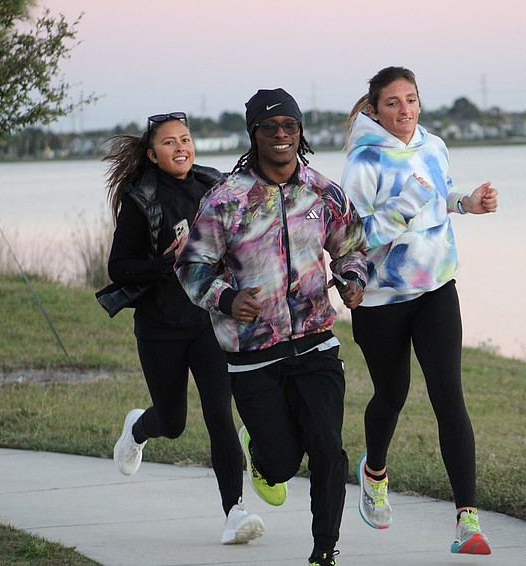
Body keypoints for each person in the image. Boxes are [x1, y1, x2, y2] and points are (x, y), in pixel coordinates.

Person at [175, 88, 368, 566]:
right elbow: (191, 265)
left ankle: (325, 549)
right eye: (269, 127)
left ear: (300, 133)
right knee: (281, 464)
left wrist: (350, 279)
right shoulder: (227, 199)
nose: (281, 135)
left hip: (316, 342)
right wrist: (226, 298)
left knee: (327, 447)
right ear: (254, 135)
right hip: (253, 354)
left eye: (289, 126)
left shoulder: (323, 192)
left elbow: (353, 246)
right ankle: (259, 451)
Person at [340, 66, 498, 556]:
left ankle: (467, 521)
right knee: (393, 394)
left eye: (411, 100)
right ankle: (375, 471)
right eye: (393, 103)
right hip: (382, 299)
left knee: (449, 395)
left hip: (436, 288)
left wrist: (466, 203)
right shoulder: (362, 162)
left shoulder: (434, 144)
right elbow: (352, 240)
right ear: (374, 109)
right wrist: (402, 208)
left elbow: (439, 195)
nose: (404, 110)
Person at [103, 112, 264, 545]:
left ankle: (235, 511)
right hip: (160, 327)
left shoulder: (212, 185)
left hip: (207, 321)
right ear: (153, 155)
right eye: (170, 143)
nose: (181, 148)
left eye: (186, 139)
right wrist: (165, 263)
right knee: (172, 423)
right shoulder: (142, 200)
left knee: (220, 417)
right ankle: (138, 428)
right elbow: (119, 268)